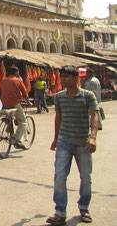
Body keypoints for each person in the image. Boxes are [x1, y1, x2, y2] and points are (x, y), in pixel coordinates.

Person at [46, 66, 99, 226]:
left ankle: (84, 207)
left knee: (85, 178)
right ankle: (60, 211)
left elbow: (94, 115)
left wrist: (93, 137)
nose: (63, 80)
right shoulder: (59, 97)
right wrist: (55, 139)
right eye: (62, 77)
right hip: (64, 142)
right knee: (59, 176)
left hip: (82, 142)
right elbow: (58, 118)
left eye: (66, 77)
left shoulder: (88, 95)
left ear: (76, 78)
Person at [0, 66, 31, 148]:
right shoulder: (17, 80)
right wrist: (28, 102)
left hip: (5, 103)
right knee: (23, 122)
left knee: (11, 117)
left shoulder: (3, 80)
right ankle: (17, 140)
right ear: (16, 72)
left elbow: (1, 91)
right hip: (15, 103)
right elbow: (25, 93)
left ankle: (9, 128)